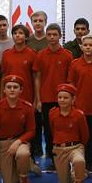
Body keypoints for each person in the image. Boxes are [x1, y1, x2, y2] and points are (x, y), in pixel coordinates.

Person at [1, 24, 41, 171]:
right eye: (15, 33)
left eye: (21, 33)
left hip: (27, 97)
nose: (18, 35)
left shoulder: (32, 54)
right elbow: (3, 76)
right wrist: (1, 98)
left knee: (29, 128)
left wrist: (37, 99)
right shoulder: (6, 54)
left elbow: (36, 77)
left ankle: (30, 159)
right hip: (9, 98)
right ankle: (12, 158)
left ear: (26, 36)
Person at [0, 74, 36, 183]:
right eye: (9, 87)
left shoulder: (27, 107)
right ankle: (26, 164)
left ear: (21, 90)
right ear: (4, 90)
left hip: (20, 142)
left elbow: (31, 130)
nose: (12, 90)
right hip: (3, 144)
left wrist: (18, 141)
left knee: (23, 153)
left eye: (15, 87)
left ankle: (24, 180)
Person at [35, 23, 72, 167]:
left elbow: (70, 79)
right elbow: (37, 78)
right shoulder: (40, 55)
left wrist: (70, 99)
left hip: (63, 99)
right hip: (46, 98)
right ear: (46, 36)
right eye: (49, 34)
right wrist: (38, 99)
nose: (52, 37)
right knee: (49, 129)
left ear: (60, 36)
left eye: (54, 35)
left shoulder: (67, 55)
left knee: (64, 128)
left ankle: (65, 155)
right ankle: (51, 156)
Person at [68, 35, 92, 168]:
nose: (88, 47)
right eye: (85, 45)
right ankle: (79, 161)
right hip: (78, 106)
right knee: (79, 136)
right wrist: (71, 104)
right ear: (81, 47)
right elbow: (71, 84)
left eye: (91, 45)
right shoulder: (75, 64)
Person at [49, 83, 89, 183]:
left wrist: (80, 148)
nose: (62, 100)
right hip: (59, 149)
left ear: (73, 99)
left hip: (75, 147)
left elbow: (85, 135)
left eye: (66, 98)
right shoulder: (52, 114)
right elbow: (53, 131)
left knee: (79, 160)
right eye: (60, 97)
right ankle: (77, 173)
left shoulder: (79, 115)